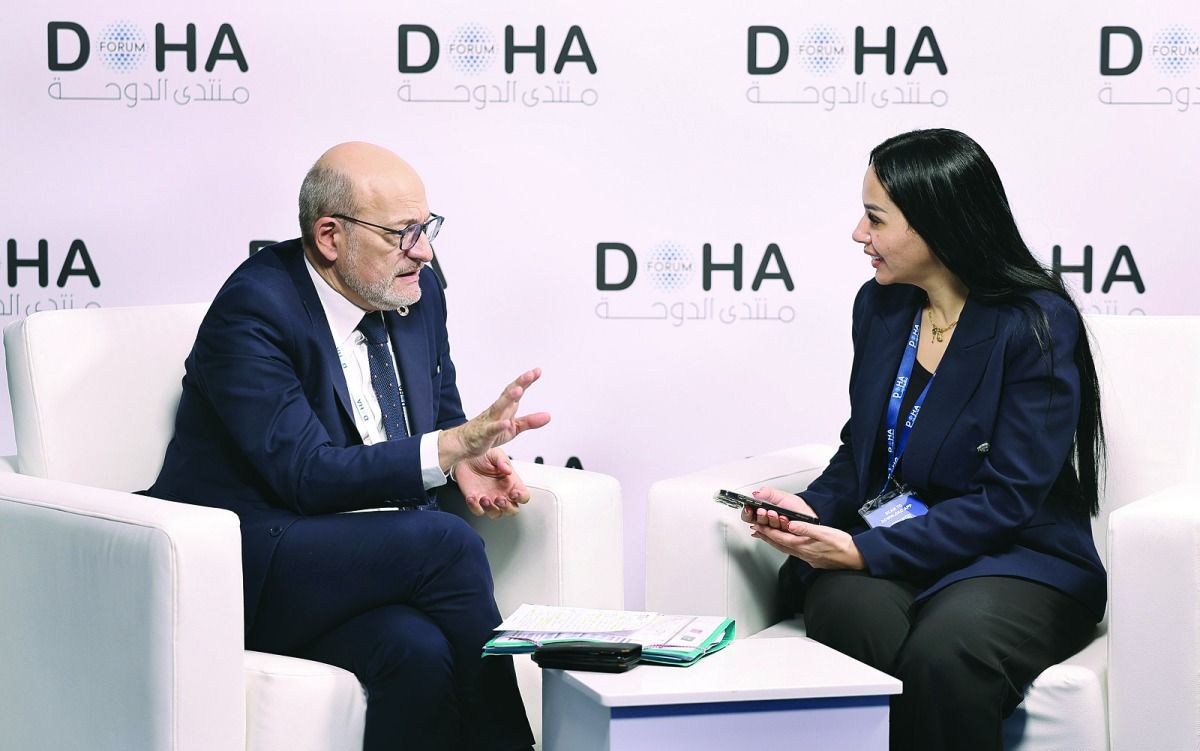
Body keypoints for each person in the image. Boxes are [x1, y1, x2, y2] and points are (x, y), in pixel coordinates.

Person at [148, 141, 548, 751]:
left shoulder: (416, 291)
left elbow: (439, 414)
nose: (424, 250)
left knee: (414, 650)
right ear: (330, 237)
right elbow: (304, 473)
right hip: (254, 559)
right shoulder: (253, 309)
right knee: (444, 542)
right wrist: (446, 448)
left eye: (427, 227)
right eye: (402, 233)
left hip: (362, 562)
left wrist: (465, 458)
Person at [743, 129, 1106, 751]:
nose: (858, 234)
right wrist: (812, 507)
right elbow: (864, 445)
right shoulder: (880, 306)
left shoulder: (1035, 323)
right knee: (849, 613)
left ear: (938, 222)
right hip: (894, 541)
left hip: (1015, 555)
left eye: (876, 218)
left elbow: (1008, 500)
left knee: (947, 651)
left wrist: (862, 553)